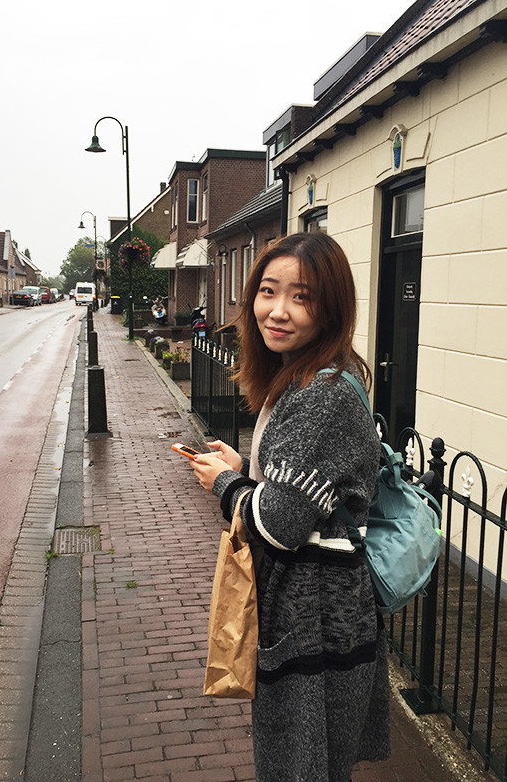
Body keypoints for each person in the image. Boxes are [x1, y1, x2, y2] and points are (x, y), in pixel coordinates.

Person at [190, 232, 391, 782]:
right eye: (268, 291)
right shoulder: (306, 376)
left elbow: (280, 524)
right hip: (316, 611)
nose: (277, 310)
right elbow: (306, 488)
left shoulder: (321, 394)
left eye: (301, 297)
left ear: (331, 308)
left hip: (315, 618)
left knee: (302, 766)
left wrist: (225, 484)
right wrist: (248, 468)